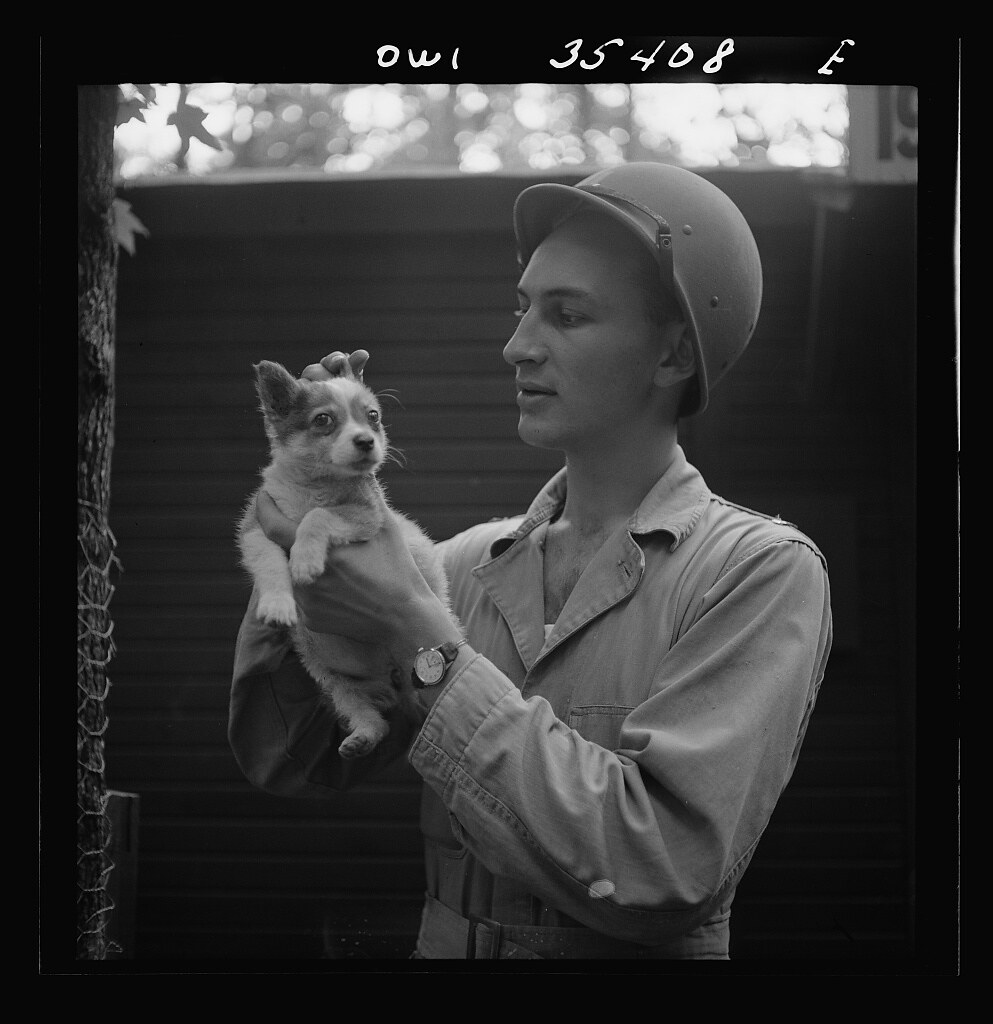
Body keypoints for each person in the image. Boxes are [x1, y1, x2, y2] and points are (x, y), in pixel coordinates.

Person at [228, 162, 833, 961]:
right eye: (520, 309)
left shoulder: (757, 573)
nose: (516, 346)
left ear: (674, 352)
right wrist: (300, 509)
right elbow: (289, 762)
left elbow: (657, 872)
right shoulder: (464, 561)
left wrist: (416, 631)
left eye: (567, 315)